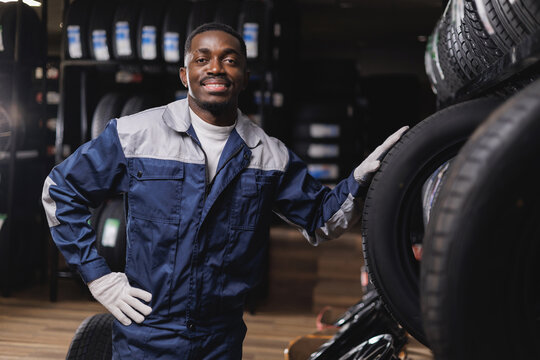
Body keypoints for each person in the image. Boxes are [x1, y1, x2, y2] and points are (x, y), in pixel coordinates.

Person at [42, 22, 408, 359]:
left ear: (244, 77)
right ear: (186, 75)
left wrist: (360, 180)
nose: (215, 68)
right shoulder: (135, 134)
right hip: (145, 331)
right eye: (203, 59)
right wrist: (99, 277)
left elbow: (322, 219)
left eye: (229, 60)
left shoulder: (269, 155)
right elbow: (60, 190)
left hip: (220, 339)